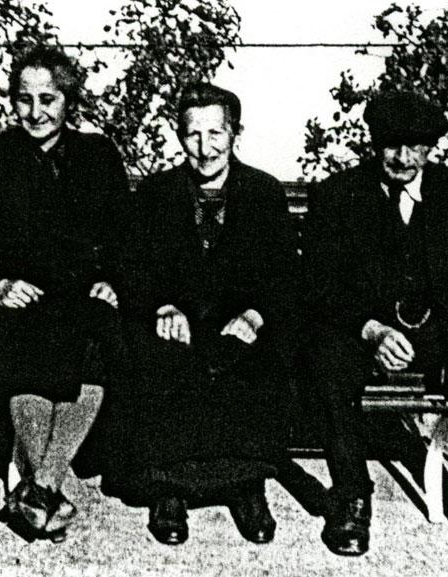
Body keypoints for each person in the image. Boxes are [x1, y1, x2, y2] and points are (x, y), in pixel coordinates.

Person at [303, 91, 448, 560]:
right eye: (392, 144)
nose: (403, 157)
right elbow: (318, 286)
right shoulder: (339, 195)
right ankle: (351, 498)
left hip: (443, 342)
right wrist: (370, 330)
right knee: (324, 355)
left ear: (432, 147)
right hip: (366, 336)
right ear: (374, 142)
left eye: (417, 146)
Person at [0, 45, 129, 542]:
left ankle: (41, 485)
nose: (35, 112)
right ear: (12, 101)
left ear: (68, 101)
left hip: (78, 295)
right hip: (10, 294)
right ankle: (46, 491)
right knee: (26, 337)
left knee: (98, 342)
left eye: (48, 99)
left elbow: (127, 233)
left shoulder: (97, 155)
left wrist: (114, 280)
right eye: (24, 99)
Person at [89, 82, 299, 545]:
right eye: (192, 136)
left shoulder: (263, 193)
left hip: (240, 321)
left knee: (258, 362)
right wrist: (161, 306)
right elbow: (131, 263)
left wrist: (255, 316)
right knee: (157, 356)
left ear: (235, 135)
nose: (204, 149)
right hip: (175, 318)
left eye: (215, 135)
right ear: (179, 137)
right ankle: (170, 489)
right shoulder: (157, 193)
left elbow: (284, 273)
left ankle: (248, 487)